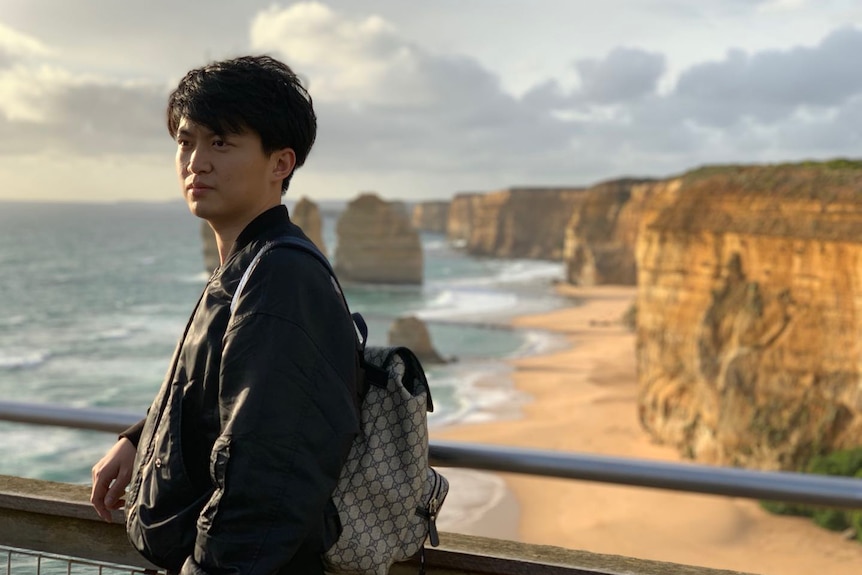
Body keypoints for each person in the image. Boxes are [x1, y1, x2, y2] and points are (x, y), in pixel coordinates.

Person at [89, 55, 360, 575]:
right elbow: (226, 391)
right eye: (186, 141)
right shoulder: (247, 265)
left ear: (281, 163)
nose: (196, 162)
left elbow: (269, 477)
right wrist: (139, 437)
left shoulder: (280, 276)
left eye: (221, 142)